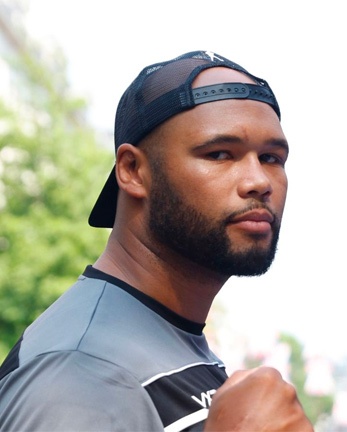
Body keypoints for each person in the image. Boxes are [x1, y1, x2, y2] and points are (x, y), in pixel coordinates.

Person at [0, 50, 312, 431]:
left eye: (271, 158)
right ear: (132, 170)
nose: (259, 182)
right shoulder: (82, 370)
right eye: (219, 154)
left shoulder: (170, 339)